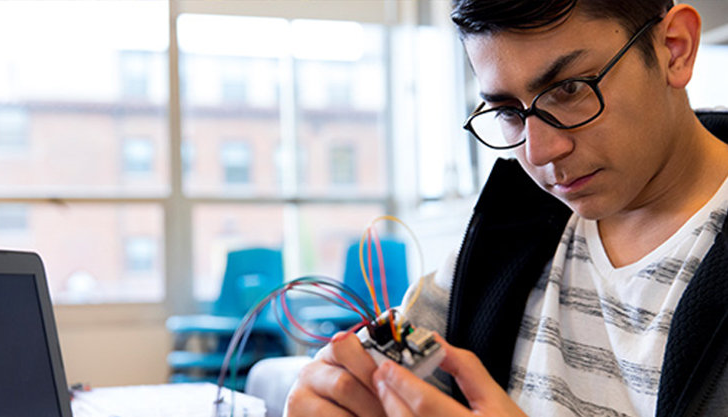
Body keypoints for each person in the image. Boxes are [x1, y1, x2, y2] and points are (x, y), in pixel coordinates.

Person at [284, 0, 728, 416]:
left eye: (570, 89)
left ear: (675, 49)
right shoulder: (508, 235)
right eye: (508, 111)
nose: (540, 152)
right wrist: (337, 393)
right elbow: (394, 367)